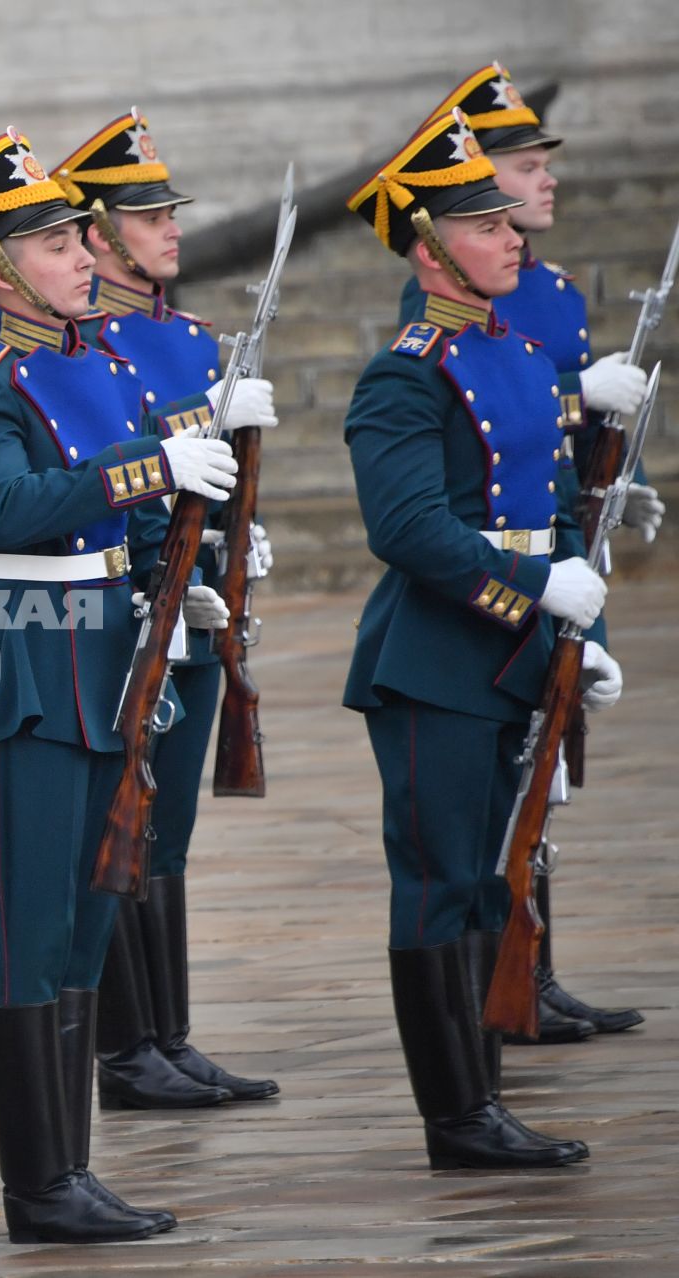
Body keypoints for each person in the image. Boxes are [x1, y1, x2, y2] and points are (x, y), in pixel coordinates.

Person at [0, 127, 241, 1242]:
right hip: (34, 658)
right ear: (1, 266)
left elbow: (138, 513)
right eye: (52, 244)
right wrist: (150, 465)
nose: (77, 258)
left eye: (74, 238)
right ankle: (38, 1186)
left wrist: (182, 564)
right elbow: (5, 510)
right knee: (35, 927)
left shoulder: (104, 362)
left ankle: (73, 1168)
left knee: (89, 920)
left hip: (111, 648)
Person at [343, 107, 620, 1169]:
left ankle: (485, 1100)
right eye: (487, 223)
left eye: (512, 218)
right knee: (441, 879)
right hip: (436, 660)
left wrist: (571, 628)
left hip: (509, 651)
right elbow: (410, 530)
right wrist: (536, 594)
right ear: (427, 248)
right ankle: (458, 1118)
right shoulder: (406, 370)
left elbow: (543, 507)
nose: (514, 236)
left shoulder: (509, 351)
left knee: (494, 876)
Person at [399, 64, 656, 1042]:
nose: (541, 185)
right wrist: (575, 396)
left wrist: (599, 491)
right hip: (495, 592)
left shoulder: (546, 291)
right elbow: (458, 449)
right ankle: (506, 992)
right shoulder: (442, 324)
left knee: (541, 774)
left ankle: (530, 971)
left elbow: (538, 459)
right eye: (523, 167)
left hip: (552, 564)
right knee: (477, 823)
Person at [53, 108, 281, 1108]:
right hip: (131, 606)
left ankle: (170, 1034)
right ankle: (124, 1045)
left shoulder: (190, 340)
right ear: (100, 237)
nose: (170, 230)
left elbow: (210, 486)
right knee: (125, 824)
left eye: (167, 213)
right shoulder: (91, 349)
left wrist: (238, 545)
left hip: (194, 606)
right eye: (145, 217)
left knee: (170, 827)